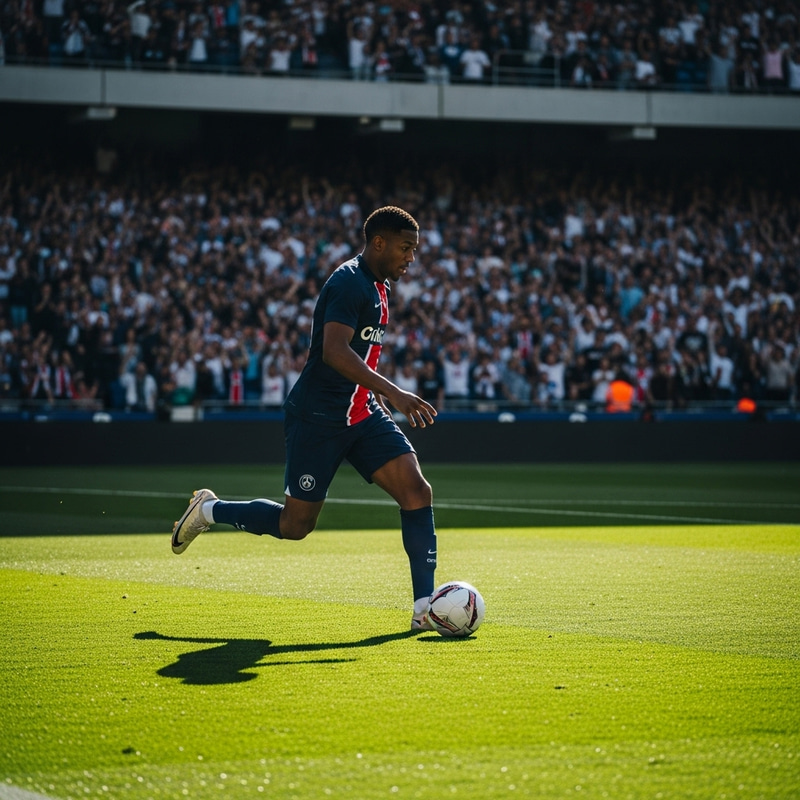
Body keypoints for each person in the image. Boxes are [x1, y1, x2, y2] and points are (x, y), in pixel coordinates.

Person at [171, 207, 440, 632]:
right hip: (319, 416)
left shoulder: (382, 285)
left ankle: (424, 608)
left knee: (416, 490)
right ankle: (210, 510)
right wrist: (395, 392)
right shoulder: (349, 282)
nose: (411, 258)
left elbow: (362, 353)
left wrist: (376, 399)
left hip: (362, 412)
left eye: (415, 250)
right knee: (295, 525)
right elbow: (335, 353)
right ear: (379, 243)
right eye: (406, 248)